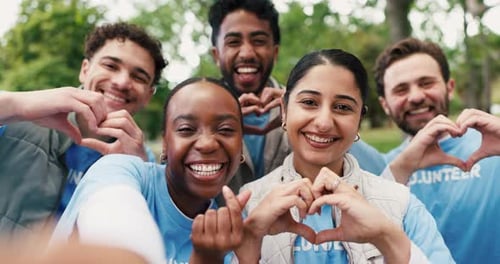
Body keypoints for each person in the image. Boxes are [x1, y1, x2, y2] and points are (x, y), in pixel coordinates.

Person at [234, 49, 454, 263]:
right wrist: (250, 243)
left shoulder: (400, 203)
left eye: (342, 107)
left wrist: (387, 237)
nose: (323, 122)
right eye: (309, 102)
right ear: (284, 110)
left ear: (359, 120)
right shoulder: (248, 204)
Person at [52, 77, 251, 264]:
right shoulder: (120, 171)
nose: (207, 144)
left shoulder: (233, 229)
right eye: (186, 129)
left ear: (241, 145)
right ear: (165, 144)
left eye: (225, 130)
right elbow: (111, 222)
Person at [0, 22, 167, 236]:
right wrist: (17, 105)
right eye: (110, 66)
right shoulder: (18, 117)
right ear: (85, 70)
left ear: (148, 95)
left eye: (139, 77)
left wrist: (139, 176)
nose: (122, 81)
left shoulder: (145, 164)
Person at [208, 0, 386, 196]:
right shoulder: (199, 118)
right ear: (216, 55)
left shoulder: (303, 111)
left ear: (275, 52)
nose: (247, 53)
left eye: (259, 41)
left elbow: (380, 170)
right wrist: (214, 126)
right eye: (233, 42)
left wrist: (300, 112)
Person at [374, 37, 500, 263]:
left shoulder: (493, 150)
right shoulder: (382, 171)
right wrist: (399, 170)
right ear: (385, 104)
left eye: (426, 83)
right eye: (401, 89)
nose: (416, 97)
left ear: (449, 88)